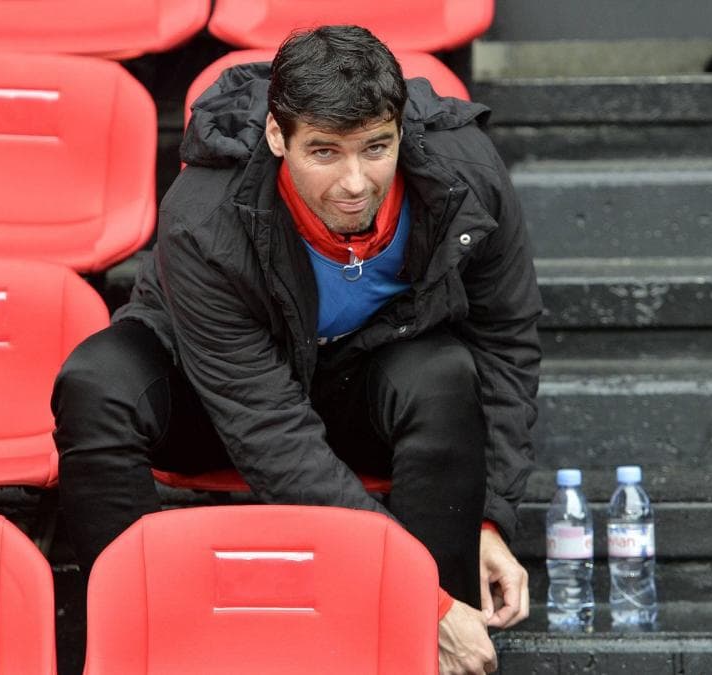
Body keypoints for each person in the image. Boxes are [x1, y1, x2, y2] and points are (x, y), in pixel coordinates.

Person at [53, 25, 541, 674]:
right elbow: (265, 426)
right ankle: (141, 640)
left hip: (360, 389)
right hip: (220, 400)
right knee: (97, 381)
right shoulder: (204, 214)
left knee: (445, 372)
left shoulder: (466, 174)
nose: (354, 182)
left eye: (376, 147)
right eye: (324, 152)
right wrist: (416, 595)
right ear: (277, 136)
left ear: (402, 130)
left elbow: (505, 343)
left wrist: (487, 518)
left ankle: (438, 646)